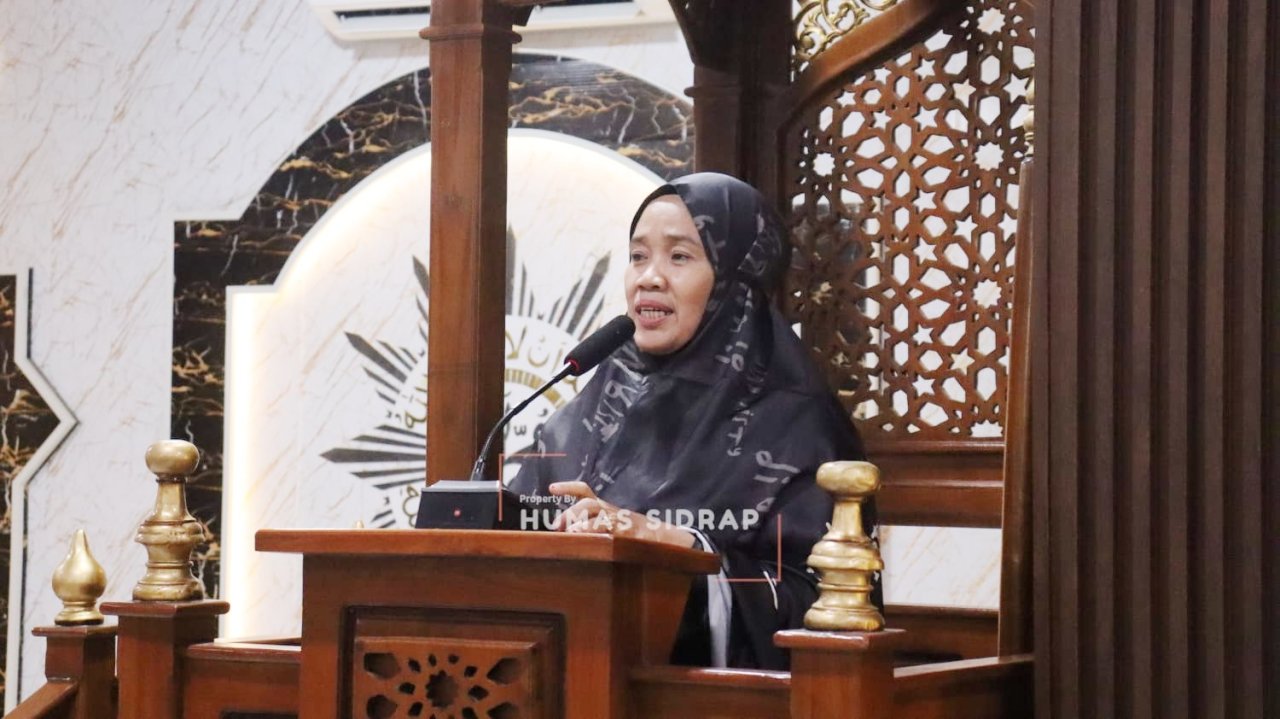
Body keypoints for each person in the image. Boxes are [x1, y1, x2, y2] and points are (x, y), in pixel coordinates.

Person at [508, 172, 878, 670]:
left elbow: (823, 607)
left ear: (735, 282)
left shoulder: (799, 427)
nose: (648, 277)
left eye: (679, 256)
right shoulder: (590, 412)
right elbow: (509, 547)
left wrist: (677, 548)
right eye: (638, 256)